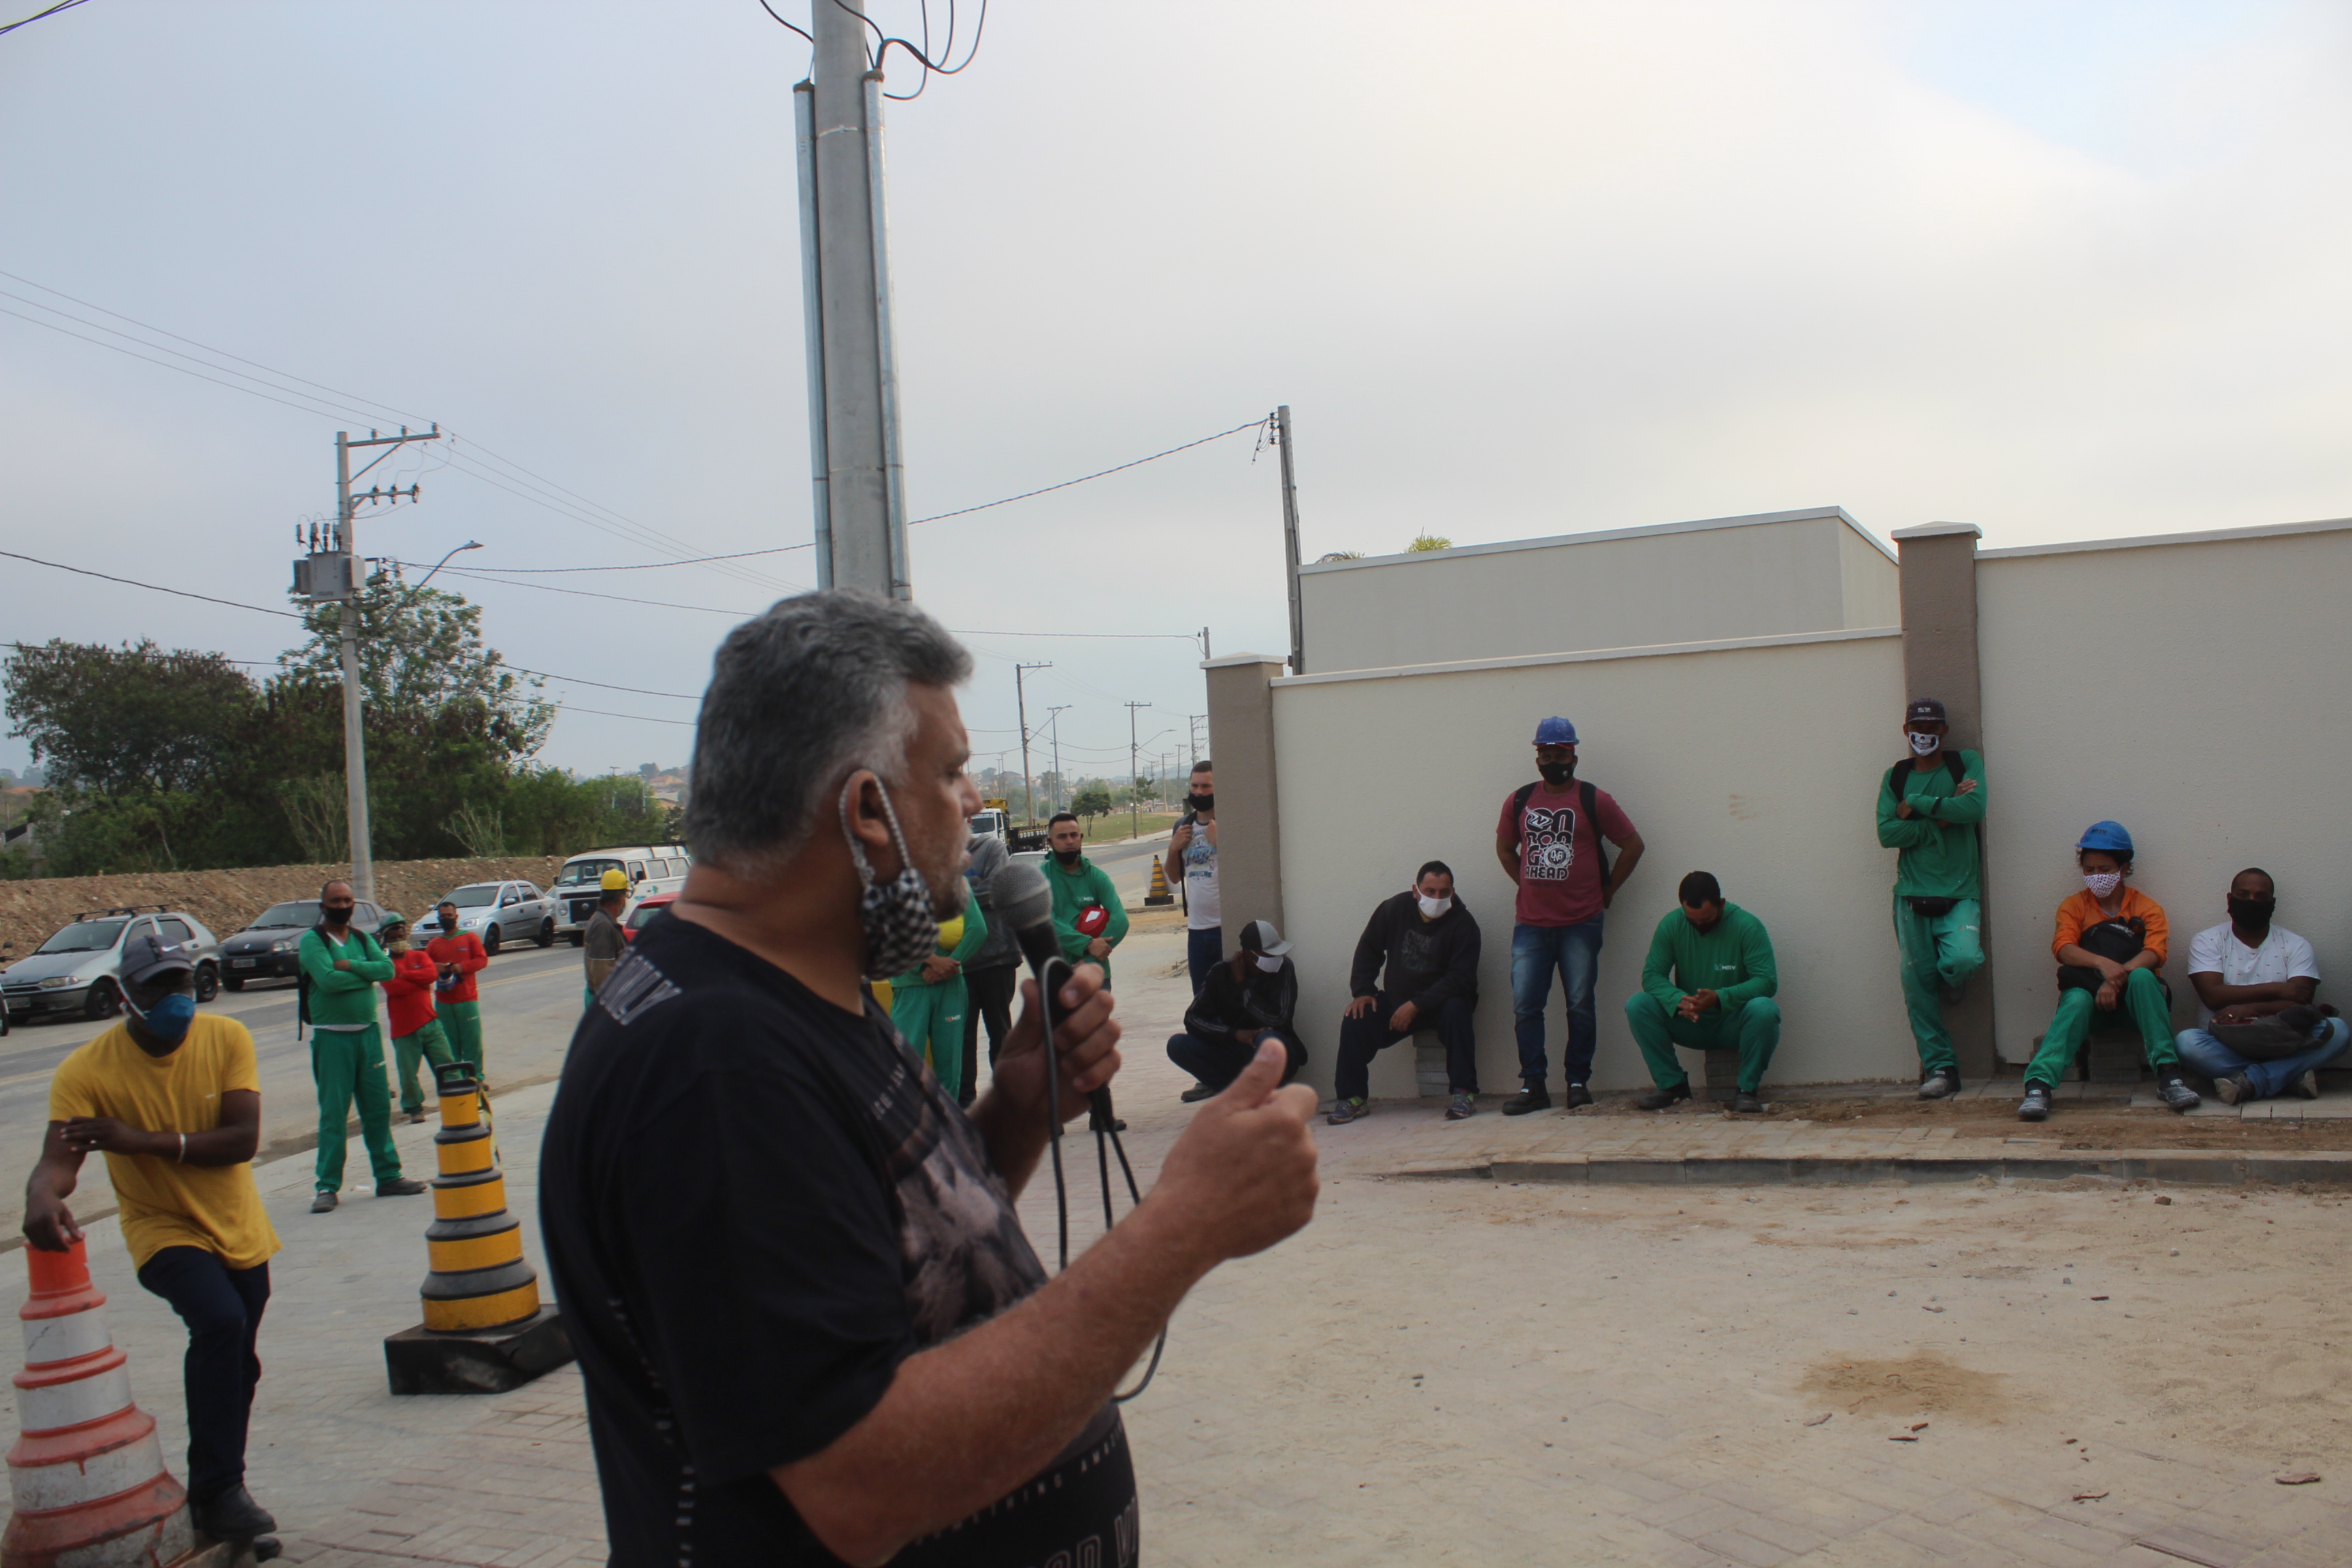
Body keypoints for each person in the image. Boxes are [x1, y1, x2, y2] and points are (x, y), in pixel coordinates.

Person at [538, 590, 1320, 1566]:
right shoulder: (714, 1066)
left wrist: (1023, 1106)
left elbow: (881, 1255)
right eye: (950, 776)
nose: (971, 806)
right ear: (867, 810)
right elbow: (857, 1482)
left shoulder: (791, 991)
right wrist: (1183, 1229)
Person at [22, 933, 282, 1542]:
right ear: (124, 996)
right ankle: (219, 1493)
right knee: (219, 1323)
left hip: (239, 1227)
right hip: (160, 1228)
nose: (174, 1000)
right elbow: (58, 1159)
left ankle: (221, 1489)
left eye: (181, 984)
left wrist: (141, 1141)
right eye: (157, 988)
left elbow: (241, 1141)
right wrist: (42, 1195)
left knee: (238, 1362)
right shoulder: (87, 1070)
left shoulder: (228, 1039)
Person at [1494, 716, 1644, 1114]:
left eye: (1560, 752)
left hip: (1581, 921)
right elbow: (1505, 848)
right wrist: (1523, 884)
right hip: (1530, 924)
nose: (1552, 758)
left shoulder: (1595, 800)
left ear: (1574, 756)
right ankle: (1533, 1086)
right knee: (1526, 1006)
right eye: (1545, 752)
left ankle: (1578, 1082)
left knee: (1579, 1003)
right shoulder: (1520, 800)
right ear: (1537, 756)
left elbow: (1632, 846)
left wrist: (1607, 889)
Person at [2018, 821, 2201, 1121]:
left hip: (2135, 1005)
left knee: (2143, 976)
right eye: (2089, 870)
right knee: (2075, 999)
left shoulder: (2146, 907)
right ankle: (2038, 1086)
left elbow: (2156, 953)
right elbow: (2062, 947)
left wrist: (2117, 979)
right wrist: (2103, 964)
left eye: (2105, 869)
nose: (2096, 877)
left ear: (2124, 868)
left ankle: (2170, 1077)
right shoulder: (2074, 906)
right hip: (2091, 1005)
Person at [1876, 698, 1988, 1100]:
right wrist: (1943, 817)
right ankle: (1941, 1068)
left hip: (1959, 892)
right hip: (1910, 896)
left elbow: (1974, 807)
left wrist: (1919, 806)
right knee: (1915, 985)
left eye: (1933, 728)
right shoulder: (1895, 776)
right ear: (1906, 732)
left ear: (1944, 731)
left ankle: (1951, 977)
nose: (1925, 736)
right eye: (1917, 728)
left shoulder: (1966, 763)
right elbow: (1887, 834)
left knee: (1962, 958)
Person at [298, 881, 424, 1213]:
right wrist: (364, 975)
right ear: (323, 906)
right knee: (334, 1114)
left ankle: (388, 1176)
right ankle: (327, 1186)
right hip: (332, 1038)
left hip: (367, 1035)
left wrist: (351, 966)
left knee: (378, 1108)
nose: (342, 905)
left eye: (348, 900)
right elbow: (326, 980)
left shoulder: (362, 939)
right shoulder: (313, 941)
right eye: (336, 900)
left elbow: (385, 970)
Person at [2174, 868, 2349, 1103]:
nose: (2251, 902)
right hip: (2227, 1042)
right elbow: (2213, 996)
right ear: (2230, 899)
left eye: (2260, 897)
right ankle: (2289, 1075)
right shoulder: (2208, 941)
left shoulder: (2296, 945)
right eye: (2244, 895)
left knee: (2338, 1030)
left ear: (2272, 903)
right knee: (2187, 1042)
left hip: (2285, 1040)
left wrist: (2251, 1008)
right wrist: (2278, 989)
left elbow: (2301, 1002)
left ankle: (2254, 1080)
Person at [1329, 862, 1483, 1124]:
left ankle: (1464, 1093)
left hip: (1442, 1004)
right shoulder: (1394, 909)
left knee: (1458, 1010)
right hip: (1397, 1001)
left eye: (1444, 892)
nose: (1436, 898)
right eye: (1430, 891)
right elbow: (1369, 949)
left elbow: (1461, 978)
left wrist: (1417, 1005)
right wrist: (1364, 990)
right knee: (1356, 1017)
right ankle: (1352, 1098)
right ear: (1415, 890)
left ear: (1453, 892)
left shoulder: (1464, 924)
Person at [1624, 872, 1781, 1114]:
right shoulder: (1671, 925)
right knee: (1638, 1005)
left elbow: (1767, 982)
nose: (1700, 927)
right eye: (1692, 921)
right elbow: (1652, 975)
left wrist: (1719, 998)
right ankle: (1672, 1086)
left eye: (1707, 920)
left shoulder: (1747, 926)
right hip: (1690, 1021)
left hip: (1733, 1023)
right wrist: (1679, 1000)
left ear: (1722, 904)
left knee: (1764, 1009)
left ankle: (1747, 1091)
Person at [1167, 919, 1307, 1102]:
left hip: (1275, 1050)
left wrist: (1243, 986)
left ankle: (1267, 1096)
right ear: (1248, 956)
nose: (1275, 960)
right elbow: (1193, 1019)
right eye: (1268, 956)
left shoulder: (1284, 968)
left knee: (1267, 1040)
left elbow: (1279, 1020)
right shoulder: (1221, 973)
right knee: (1177, 1045)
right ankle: (1233, 1094)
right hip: (1235, 1050)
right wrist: (1235, 1034)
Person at [887, 878, 989, 1099]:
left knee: (928, 1066)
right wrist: (935, 961)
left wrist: (948, 965)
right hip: (918, 986)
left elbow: (978, 929)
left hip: (939, 984)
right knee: (924, 1066)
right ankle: (932, 1124)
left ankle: (939, 1126)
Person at [957, 828, 1023, 1106]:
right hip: (960, 962)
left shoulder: (992, 848)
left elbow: (998, 891)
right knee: (962, 1037)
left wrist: (955, 889)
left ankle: (1007, 1101)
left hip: (998, 957)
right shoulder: (941, 853)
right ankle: (965, 1102)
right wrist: (974, 886)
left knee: (1001, 1033)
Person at [380, 914, 457, 1125]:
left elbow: (431, 975)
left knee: (447, 1065)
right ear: (386, 940)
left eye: (401, 935)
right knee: (408, 1075)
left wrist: (404, 975)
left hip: (430, 1024)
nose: (398, 940)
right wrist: (417, 980)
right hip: (404, 1030)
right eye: (393, 937)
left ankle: (458, 1099)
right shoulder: (385, 965)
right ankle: (414, 1108)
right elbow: (392, 987)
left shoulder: (420, 957)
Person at [1045, 810, 1130, 985]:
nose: (1069, 841)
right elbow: (1046, 922)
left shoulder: (1096, 877)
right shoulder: (1040, 879)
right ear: (1049, 842)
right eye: (1061, 837)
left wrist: (1091, 959)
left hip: (1095, 973)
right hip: (1057, 973)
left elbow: (1120, 920)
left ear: (1081, 838)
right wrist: (1087, 943)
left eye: (1074, 835)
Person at [1166, 760, 1221, 992]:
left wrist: (1220, 841)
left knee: (1228, 997)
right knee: (1201, 998)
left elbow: (1244, 870)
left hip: (1224, 927)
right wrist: (1173, 848)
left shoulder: (1225, 824)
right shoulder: (1183, 825)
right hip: (1196, 930)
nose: (1199, 792)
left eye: (1206, 786)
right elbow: (1175, 877)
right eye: (1194, 786)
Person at [425, 897, 490, 1082]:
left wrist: (462, 967)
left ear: (456, 917)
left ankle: (475, 1077)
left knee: (472, 1042)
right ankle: (455, 1078)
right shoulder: (434, 944)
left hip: (467, 1000)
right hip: (444, 1003)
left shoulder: (469, 938)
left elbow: (482, 960)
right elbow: (425, 967)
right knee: (449, 1044)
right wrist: (435, 967)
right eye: (442, 916)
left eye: (449, 915)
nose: (446, 918)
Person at [582, 870, 629, 1007]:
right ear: (620, 898)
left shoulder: (604, 922)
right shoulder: (602, 927)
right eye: (625, 896)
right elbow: (602, 975)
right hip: (604, 1003)